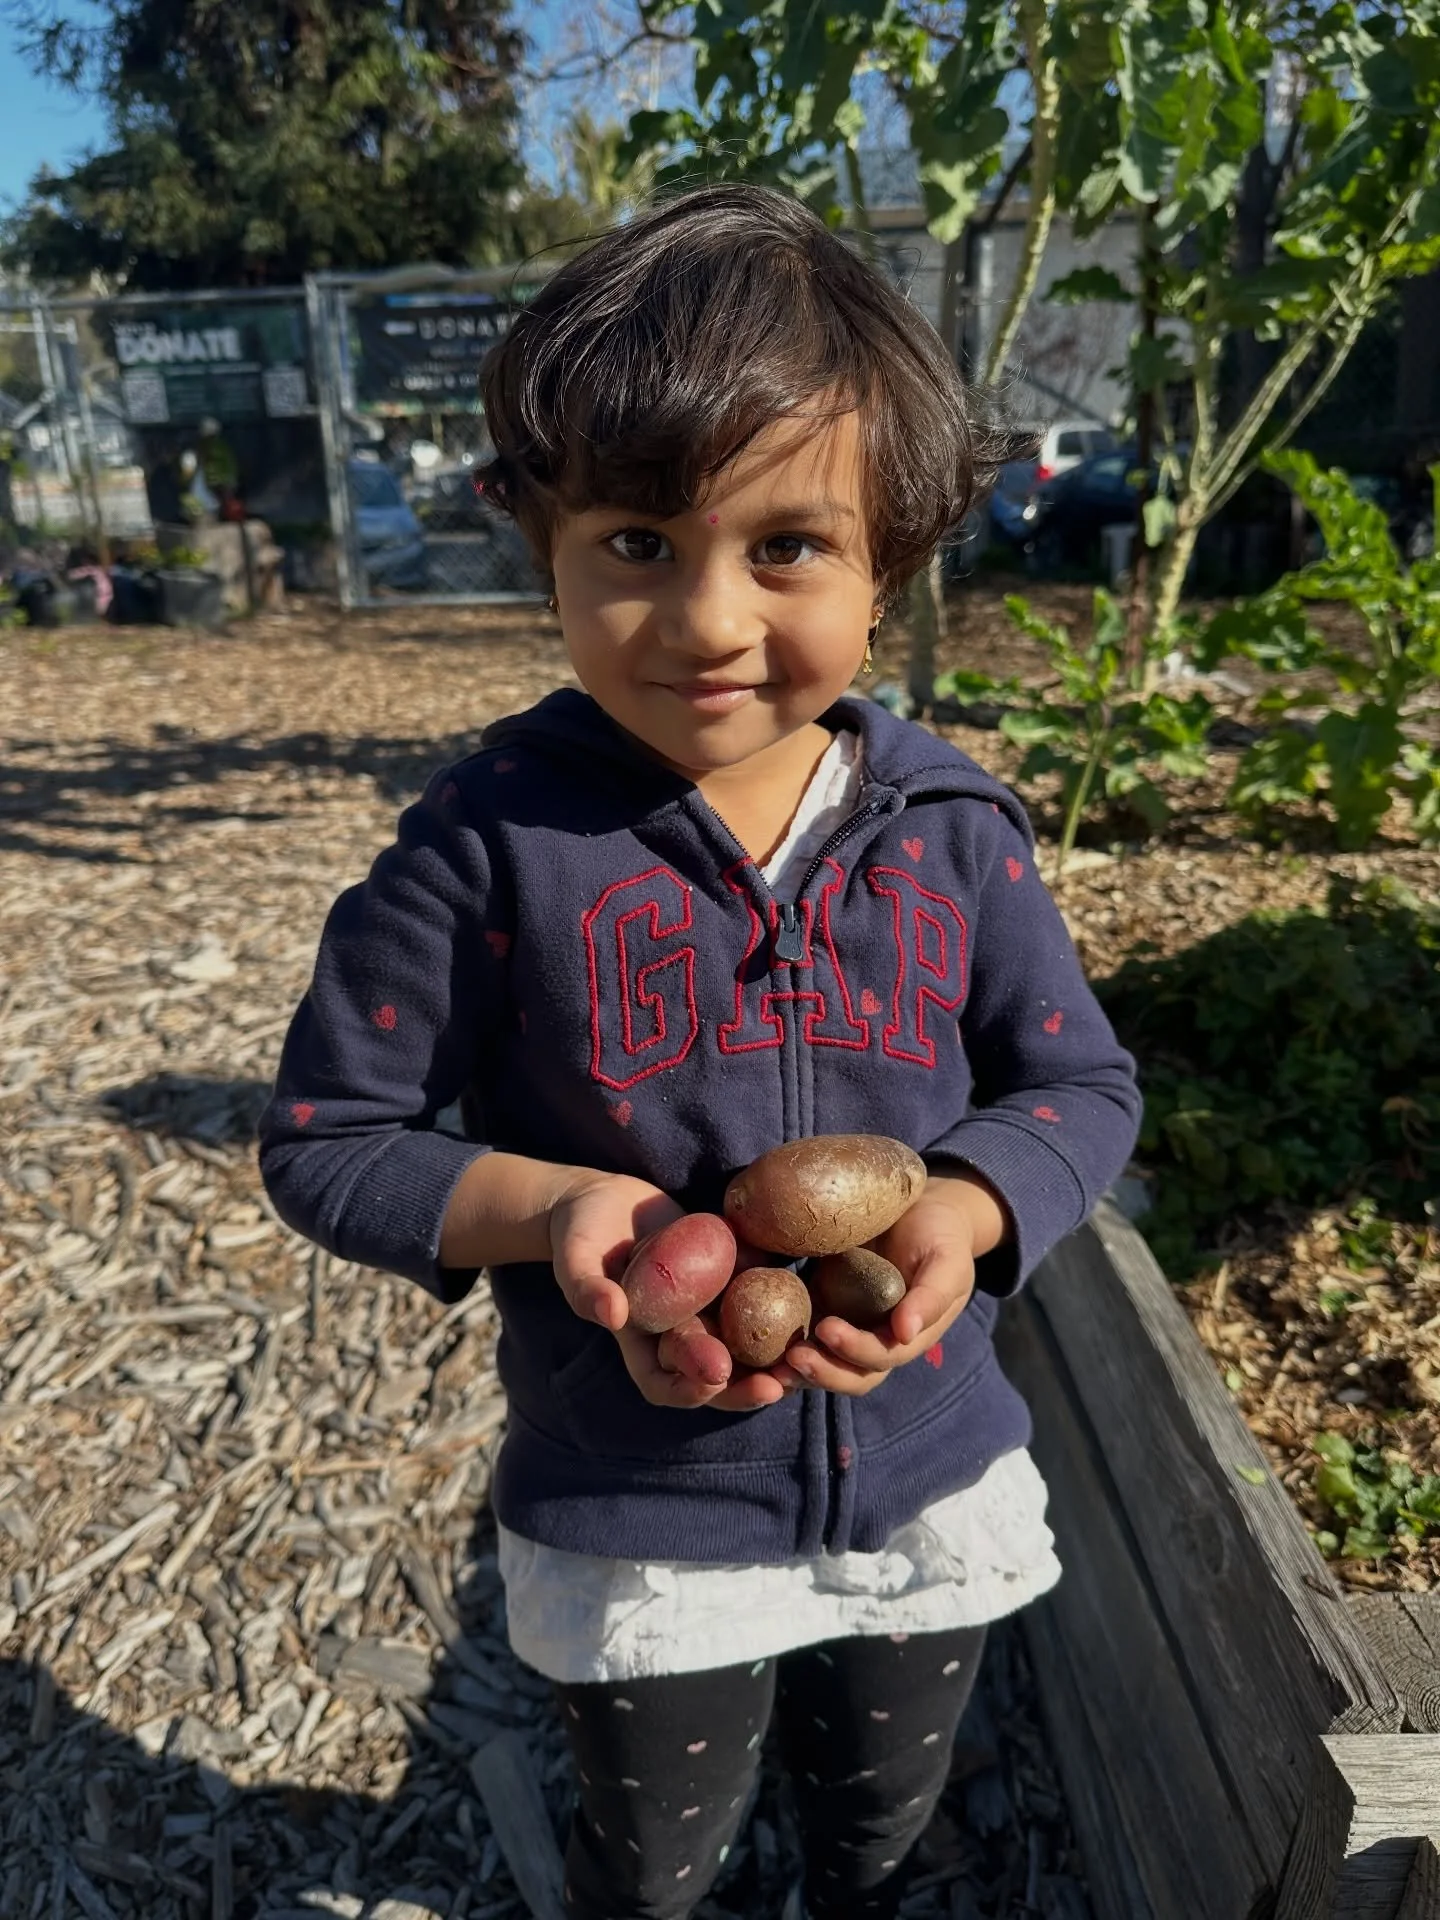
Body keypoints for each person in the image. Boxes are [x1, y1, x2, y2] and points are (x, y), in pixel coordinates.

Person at [258, 184, 1141, 1920]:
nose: (712, 620)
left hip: (923, 1474)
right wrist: (554, 1210)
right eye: (639, 547)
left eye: (788, 546)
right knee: (653, 1867)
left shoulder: (954, 832)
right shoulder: (488, 846)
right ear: (552, 551)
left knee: (889, 1830)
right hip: (636, 1496)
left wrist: (964, 1212)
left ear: (892, 559)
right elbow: (326, 1135)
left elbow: (1080, 1087)